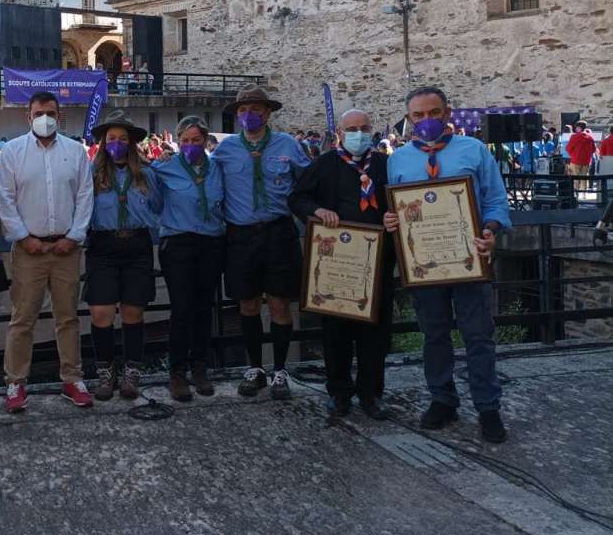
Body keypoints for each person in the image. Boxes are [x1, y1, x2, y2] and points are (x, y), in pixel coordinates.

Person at [383, 86, 512, 443]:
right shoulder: (398, 159)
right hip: (424, 264)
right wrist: (391, 221)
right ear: (408, 119)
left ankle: (488, 408)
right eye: (418, 116)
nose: (426, 121)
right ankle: (443, 399)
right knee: (434, 335)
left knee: (478, 337)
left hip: (469, 260)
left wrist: (490, 229)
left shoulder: (474, 151)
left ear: (448, 113)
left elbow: (497, 201)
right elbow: (394, 210)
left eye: (433, 113)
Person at [289, 109, 394, 419]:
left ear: (371, 131)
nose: (357, 134)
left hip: (376, 261)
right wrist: (319, 211)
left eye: (363, 128)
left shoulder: (385, 164)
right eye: (351, 129)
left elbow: (398, 201)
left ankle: (371, 393)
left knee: (375, 332)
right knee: (335, 332)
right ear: (338, 133)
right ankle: (339, 392)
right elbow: (297, 199)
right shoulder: (323, 164)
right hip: (336, 260)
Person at [0, 91, 95, 412]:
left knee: (68, 318)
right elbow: (4, 199)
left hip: (67, 247)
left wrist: (75, 236)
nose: (44, 118)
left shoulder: (75, 152)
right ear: (28, 116)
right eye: (38, 113)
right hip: (28, 250)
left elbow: (85, 196)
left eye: (50, 112)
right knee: (22, 319)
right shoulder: (12, 152)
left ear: (59, 114)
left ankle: (72, 378)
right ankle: (15, 383)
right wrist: (23, 237)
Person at [212, 85, 310, 400]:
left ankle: (279, 369)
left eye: (255, 109)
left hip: (278, 233)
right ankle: (255, 368)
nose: (249, 115)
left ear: (267, 113)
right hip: (240, 237)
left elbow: (306, 187)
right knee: (248, 303)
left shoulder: (289, 145)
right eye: (243, 110)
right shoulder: (225, 151)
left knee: (281, 303)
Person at [82, 111, 162, 401]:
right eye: (111, 138)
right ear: (104, 142)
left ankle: (131, 373)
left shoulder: (147, 173)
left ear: (131, 143)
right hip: (103, 245)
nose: (117, 143)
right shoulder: (91, 174)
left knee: (132, 312)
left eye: (123, 139)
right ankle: (105, 373)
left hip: (136, 245)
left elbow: (159, 206)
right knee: (101, 312)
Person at [148, 115, 225, 401]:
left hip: (211, 242)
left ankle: (200, 367)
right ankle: (177, 372)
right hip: (178, 243)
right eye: (185, 141)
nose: (191, 145)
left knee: (204, 307)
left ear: (205, 141)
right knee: (182, 308)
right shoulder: (164, 169)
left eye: (196, 140)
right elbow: (153, 203)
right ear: (177, 142)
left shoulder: (219, 168)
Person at [566, 121, 596, 189]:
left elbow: (568, 148)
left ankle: (576, 193)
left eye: (576, 127)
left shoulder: (574, 136)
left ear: (579, 128)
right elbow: (593, 149)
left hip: (575, 160)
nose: (575, 129)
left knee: (575, 178)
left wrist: (573, 155)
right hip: (586, 161)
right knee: (584, 177)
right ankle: (584, 193)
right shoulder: (590, 138)